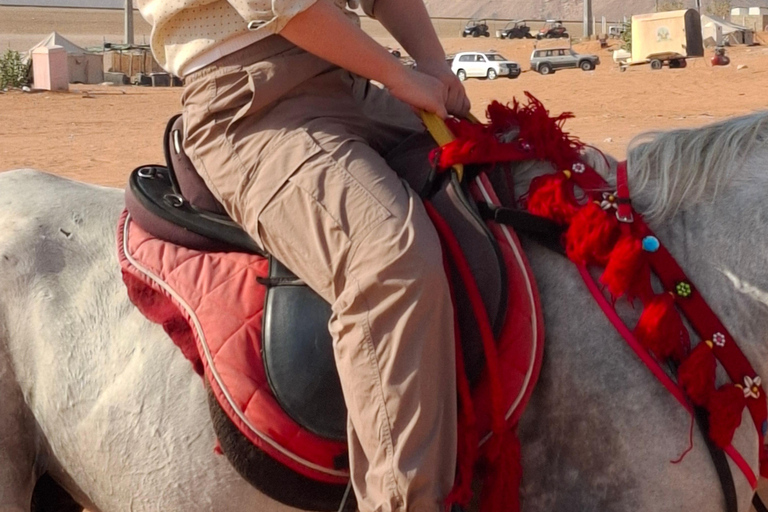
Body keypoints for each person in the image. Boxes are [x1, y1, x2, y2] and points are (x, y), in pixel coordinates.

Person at [136, 1, 471, 510]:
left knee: (510, 175)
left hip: (350, 76)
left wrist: (434, 65)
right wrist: (397, 74)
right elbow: (282, 5)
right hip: (249, 103)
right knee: (389, 260)